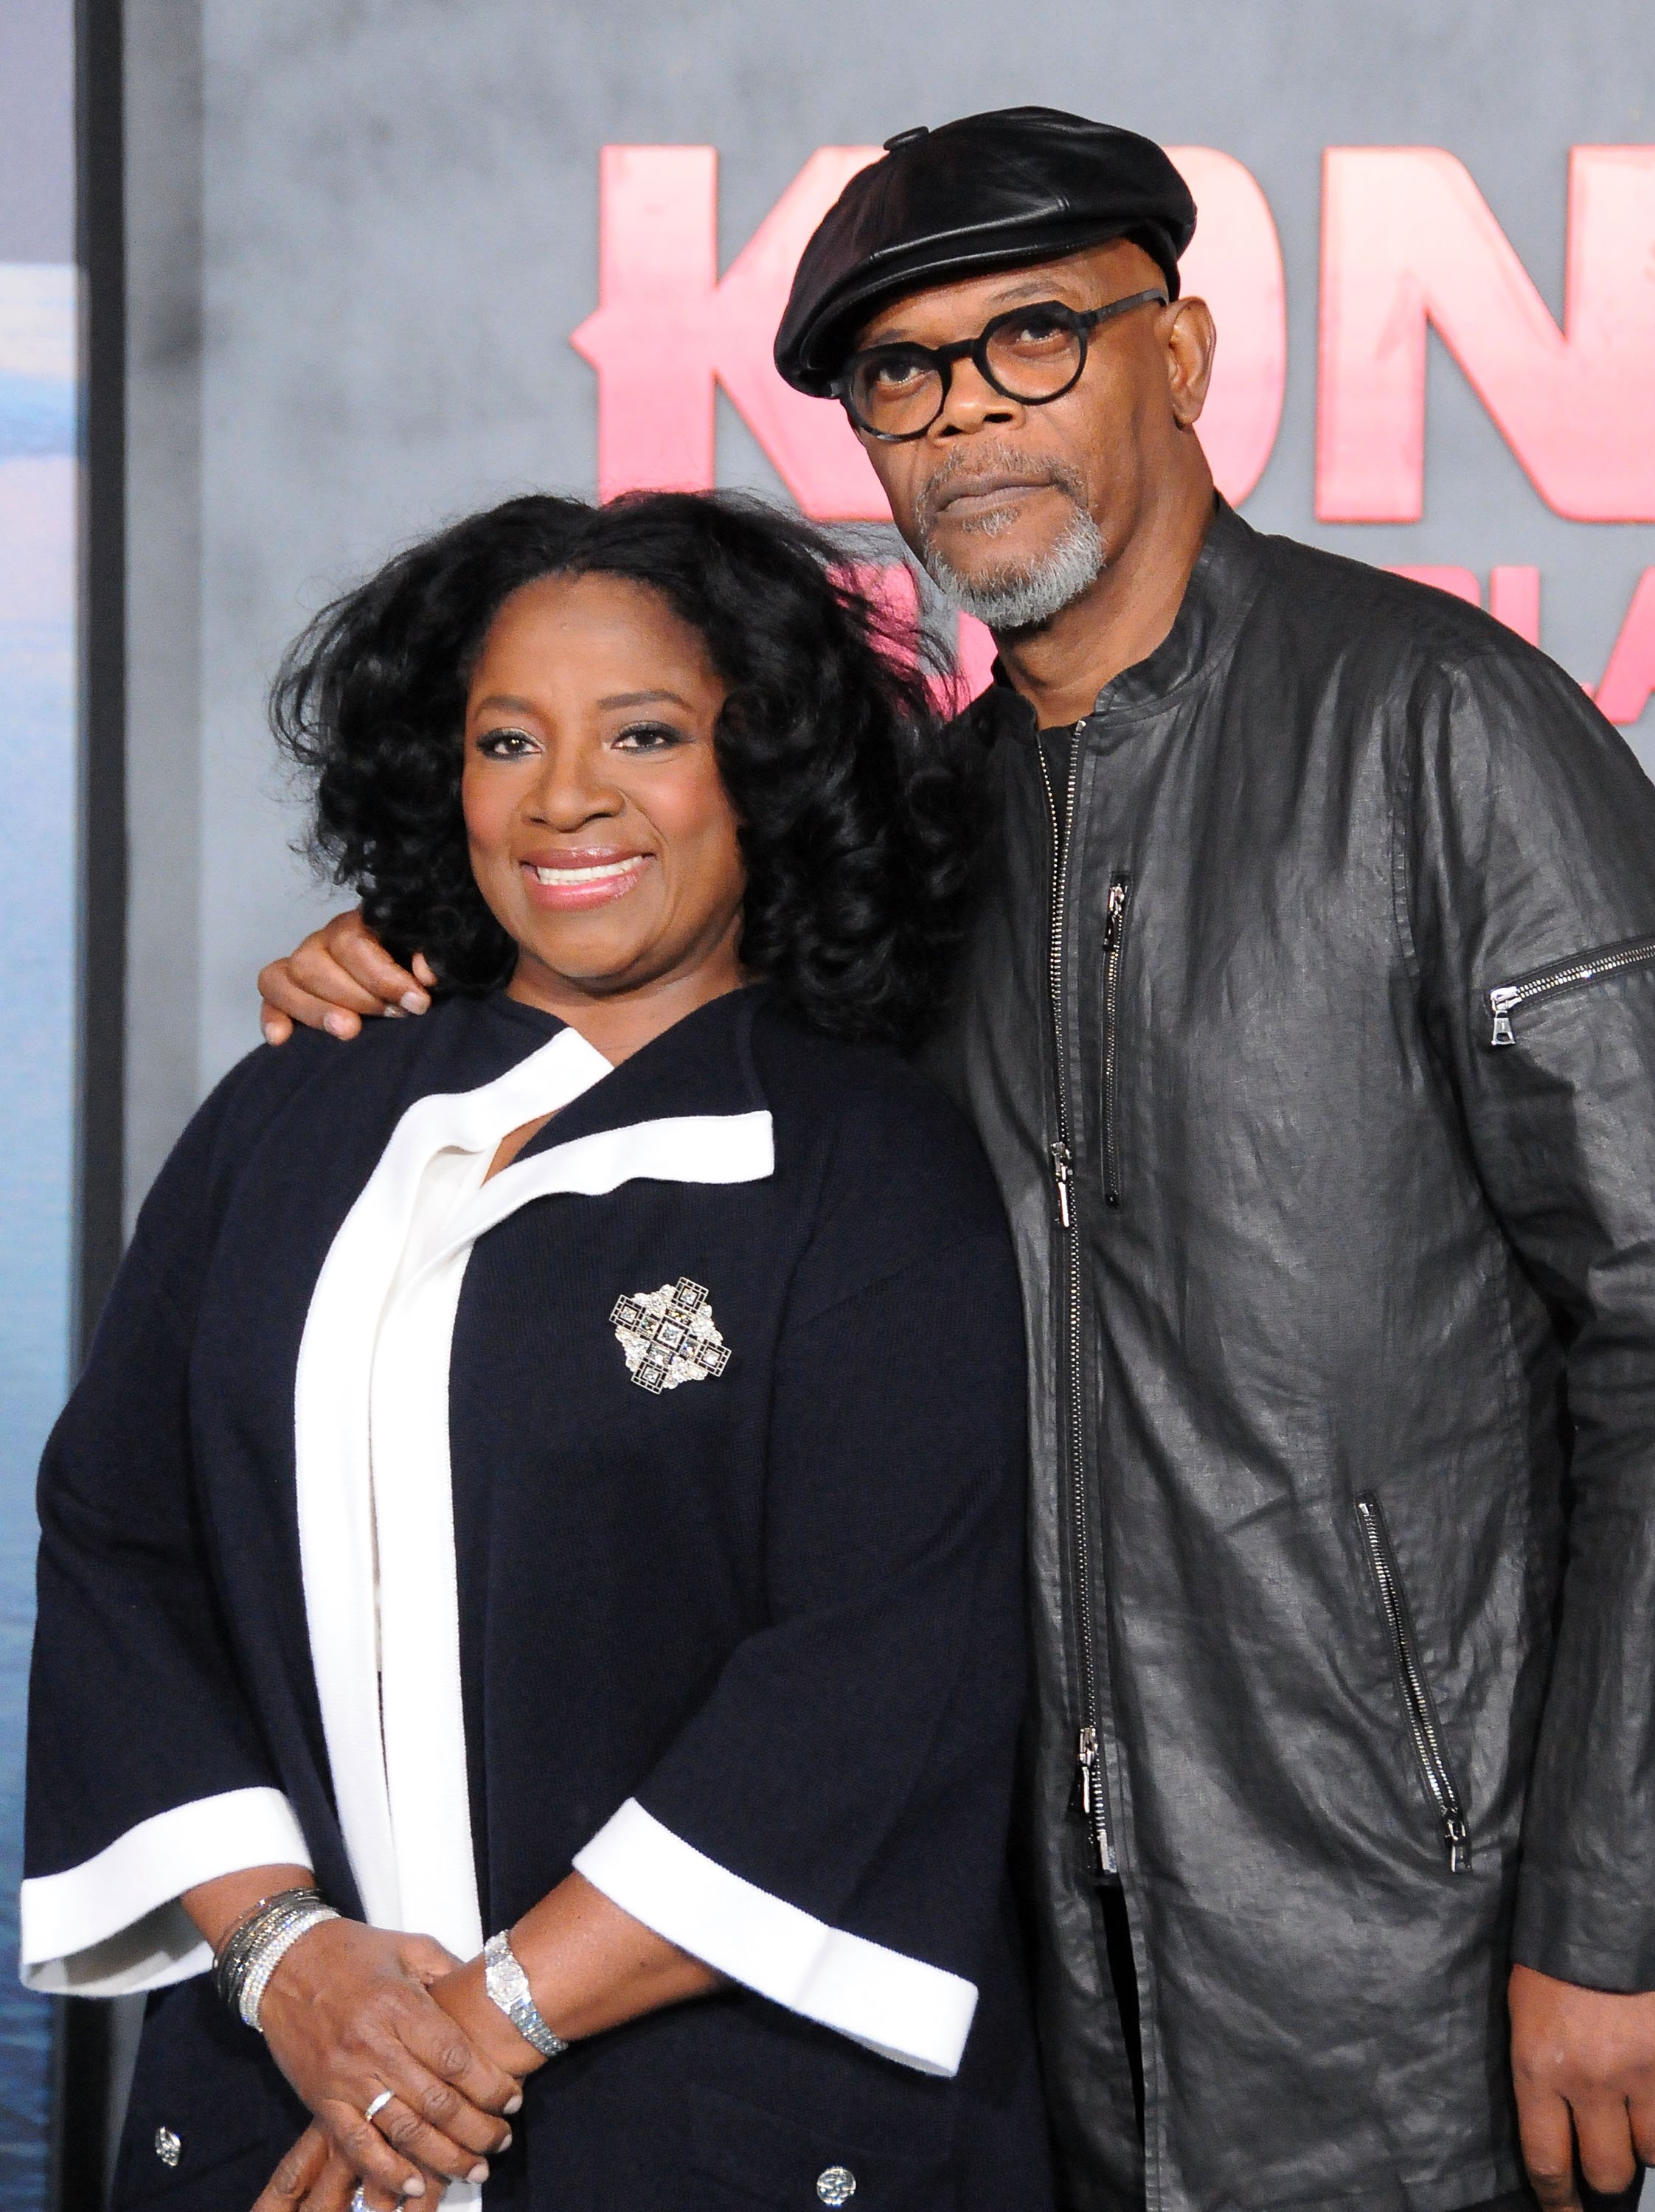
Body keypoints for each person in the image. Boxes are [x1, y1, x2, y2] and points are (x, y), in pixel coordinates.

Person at [259, 107, 1655, 2212]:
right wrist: (419, 966)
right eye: (899, 377)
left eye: (1030, 342)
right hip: (1011, 1970)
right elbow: (669, 1015)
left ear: (1175, 360)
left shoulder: (1440, 732)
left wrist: (1605, 1906)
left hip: (1412, 1946)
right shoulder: (925, 837)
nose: (960, 421)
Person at [22, 490, 1056, 2212]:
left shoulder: (869, 1167)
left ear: (765, 770)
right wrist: (291, 1968)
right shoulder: (292, 1108)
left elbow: (874, 1680)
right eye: (510, 738)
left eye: (644, 734)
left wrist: (461, 2037)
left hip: (703, 2132)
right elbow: (125, 1547)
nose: (568, 796)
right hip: (284, 2104)